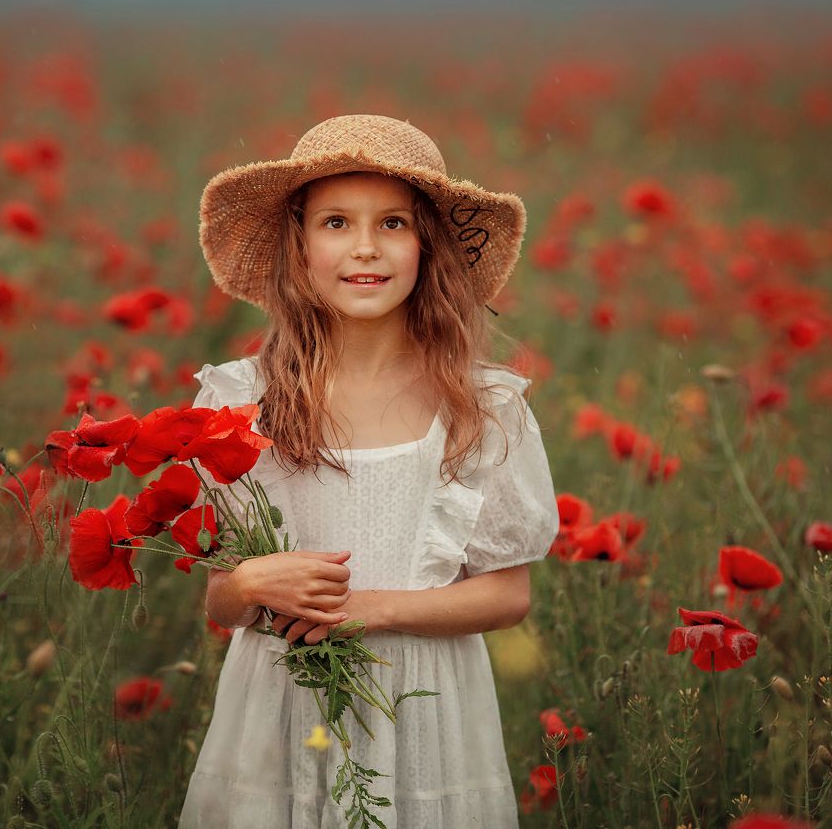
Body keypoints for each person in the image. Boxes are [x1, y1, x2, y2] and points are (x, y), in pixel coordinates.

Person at [178, 114, 560, 828]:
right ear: (297, 246)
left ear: (426, 248)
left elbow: (507, 596)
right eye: (334, 223)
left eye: (392, 224)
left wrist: (368, 610)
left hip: (427, 715)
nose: (364, 248)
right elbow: (221, 602)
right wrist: (252, 583)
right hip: (280, 703)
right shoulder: (239, 402)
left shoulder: (483, 407)